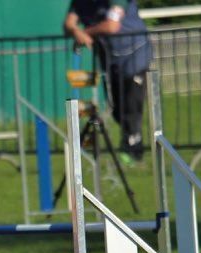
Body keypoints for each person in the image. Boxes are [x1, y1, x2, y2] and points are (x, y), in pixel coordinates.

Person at [64, 0, 153, 163]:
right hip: (111, 60)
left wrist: (86, 32)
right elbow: (68, 24)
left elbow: (112, 26)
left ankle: (133, 153)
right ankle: (131, 145)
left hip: (135, 55)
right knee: (116, 110)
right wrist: (76, 31)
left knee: (131, 107)